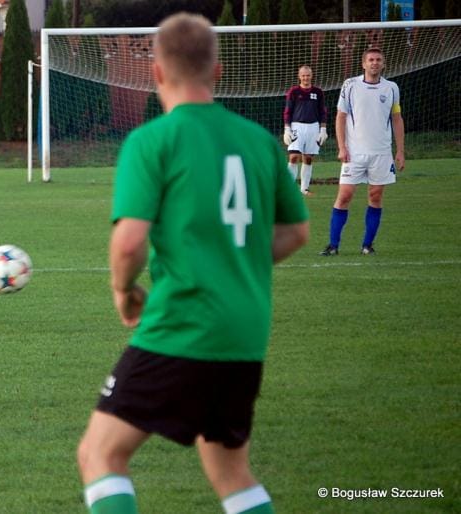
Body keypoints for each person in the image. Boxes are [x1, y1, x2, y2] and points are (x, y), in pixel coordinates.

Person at [76, 13, 309, 514]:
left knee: (100, 454)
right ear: (217, 71)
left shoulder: (154, 140)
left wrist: (123, 290)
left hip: (183, 322)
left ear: (156, 73)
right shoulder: (259, 140)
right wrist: (234, 259)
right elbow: (296, 231)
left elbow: (128, 242)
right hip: (244, 332)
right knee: (230, 471)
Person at [320, 47, 405, 256]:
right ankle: (333, 245)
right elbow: (340, 116)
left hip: (382, 153)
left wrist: (400, 150)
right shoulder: (350, 85)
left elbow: (396, 118)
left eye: (378, 60)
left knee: (375, 196)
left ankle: (367, 245)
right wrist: (342, 147)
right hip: (354, 153)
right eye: (371, 60)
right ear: (363, 63)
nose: (374, 63)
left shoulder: (392, 88)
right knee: (345, 195)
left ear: (383, 64)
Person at [282, 65, 328, 195]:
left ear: (311, 76)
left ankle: (304, 189)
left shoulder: (318, 92)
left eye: (308, 75)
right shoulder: (294, 91)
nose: (305, 78)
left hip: (313, 127)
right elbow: (287, 111)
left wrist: (323, 129)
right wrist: (287, 128)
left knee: (308, 158)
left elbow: (322, 111)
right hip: (297, 126)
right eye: (303, 75)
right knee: (294, 156)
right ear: (299, 76)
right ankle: (288, 190)